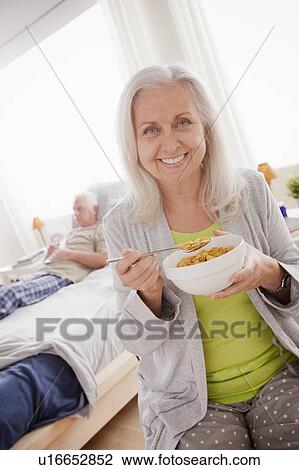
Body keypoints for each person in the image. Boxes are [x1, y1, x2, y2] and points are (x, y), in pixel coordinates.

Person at [103, 64, 299, 450]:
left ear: (205, 127)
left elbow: (293, 281)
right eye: (151, 130)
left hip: (282, 374)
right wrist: (148, 296)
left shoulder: (250, 189)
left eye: (183, 122)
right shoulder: (121, 223)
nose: (171, 143)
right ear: (134, 143)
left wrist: (268, 271)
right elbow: (134, 342)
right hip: (190, 403)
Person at [0, 191, 107, 319]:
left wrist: (68, 254)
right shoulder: (72, 232)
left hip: (62, 275)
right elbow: (52, 259)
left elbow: (104, 258)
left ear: (94, 209)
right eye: (74, 210)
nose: (75, 214)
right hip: (44, 271)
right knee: (5, 289)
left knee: (11, 293)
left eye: (80, 209)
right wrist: (51, 253)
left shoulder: (99, 229)